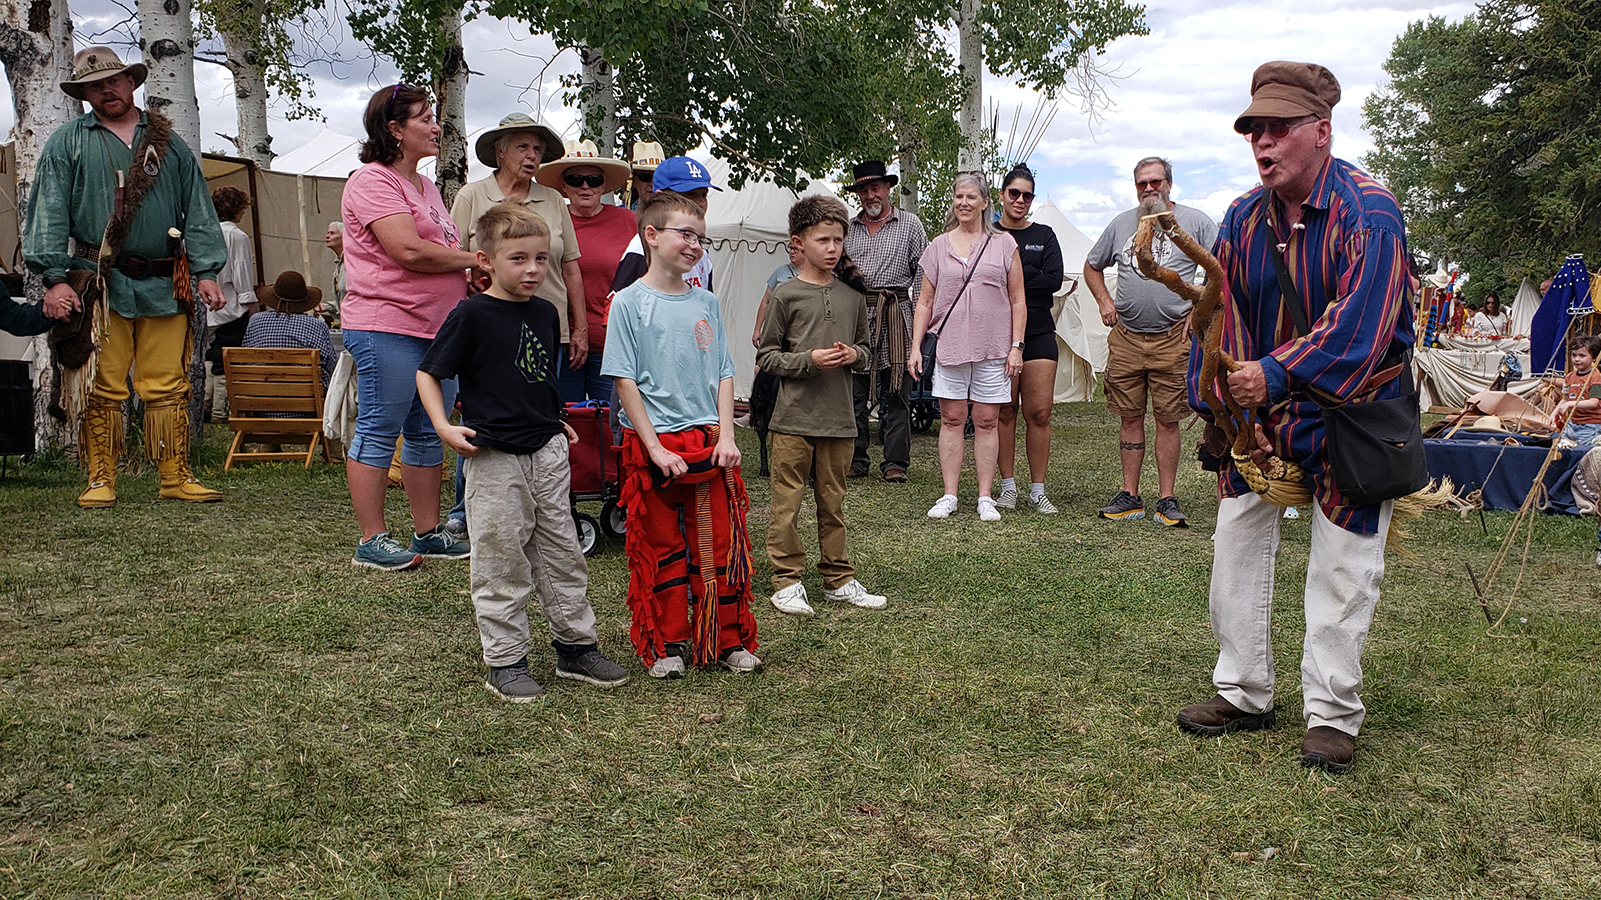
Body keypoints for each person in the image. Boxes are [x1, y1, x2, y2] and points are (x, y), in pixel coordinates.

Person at [1176, 61, 1416, 775]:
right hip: (1261, 416)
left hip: (1352, 411)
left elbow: (1362, 328)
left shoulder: (1369, 212)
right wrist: (1214, 405)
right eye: (1254, 128)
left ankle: (1331, 715)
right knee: (1233, 547)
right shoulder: (1242, 219)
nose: (1262, 141)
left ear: (1321, 131)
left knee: (1343, 568)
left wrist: (1272, 374)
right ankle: (1244, 691)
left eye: (1278, 128)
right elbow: (1214, 316)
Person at [417, 203, 630, 701]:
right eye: (519, 259)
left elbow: (535, 374)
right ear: (486, 260)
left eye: (540, 258)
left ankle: (575, 648)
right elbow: (430, 372)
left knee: (562, 552)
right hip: (493, 458)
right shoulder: (470, 314)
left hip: (547, 453)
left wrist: (554, 419)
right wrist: (444, 426)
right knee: (500, 558)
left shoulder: (544, 310)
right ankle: (505, 659)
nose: (533, 269)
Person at [23, 46, 229, 508]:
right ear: (85, 93)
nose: (107, 89)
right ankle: (101, 478)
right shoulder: (68, 141)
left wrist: (207, 270)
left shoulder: (168, 143)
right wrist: (54, 277)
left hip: (163, 281)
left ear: (131, 82)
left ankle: (176, 476)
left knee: (168, 383)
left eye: (113, 80)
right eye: (95, 85)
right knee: (103, 384)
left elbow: (197, 206)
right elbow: (48, 212)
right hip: (100, 283)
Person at [601, 192, 760, 678]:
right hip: (653, 446)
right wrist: (652, 448)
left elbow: (725, 372)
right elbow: (624, 380)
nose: (694, 244)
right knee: (660, 546)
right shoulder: (628, 304)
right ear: (651, 235)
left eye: (700, 237)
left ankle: (725, 640)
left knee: (720, 545)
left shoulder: (706, 301)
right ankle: (666, 645)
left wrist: (727, 437)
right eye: (684, 234)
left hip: (708, 442)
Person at [339, 83, 477, 571]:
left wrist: (467, 274)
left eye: (435, 116)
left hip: (437, 329)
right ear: (394, 130)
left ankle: (427, 532)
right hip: (387, 324)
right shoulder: (372, 181)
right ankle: (371, 540)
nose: (437, 125)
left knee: (424, 430)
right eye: (424, 118)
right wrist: (474, 261)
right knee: (381, 426)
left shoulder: (427, 186)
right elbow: (409, 251)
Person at [757, 195, 886, 617]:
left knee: (833, 503)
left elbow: (869, 351)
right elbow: (766, 357)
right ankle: (787, 582)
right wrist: (807, 361)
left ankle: (838, 578)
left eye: (838, 240)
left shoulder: (852, 296)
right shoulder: (785, 295)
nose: (832, 248)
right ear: (799, 242)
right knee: (787, 504)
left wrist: (855, 356)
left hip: (840, 420)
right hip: (792, 420)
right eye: (823, 239)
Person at [1084, 156, 1218, 527]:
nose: (1148, 189)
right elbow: (1092, 265)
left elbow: (1220, 265)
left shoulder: (1194, 222)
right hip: (1126, 338)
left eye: (1155, 182)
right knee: (1129, 417)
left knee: (1167, 419)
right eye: (1142, 183)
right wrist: (1104, 300)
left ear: (1169, 184)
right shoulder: (1122, 223)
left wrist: (1200, 308)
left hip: (1173, 337)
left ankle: (1167, 499)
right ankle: (1130, 496)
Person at [907, 172, 1025, 522]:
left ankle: (986, 497)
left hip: (993, 347)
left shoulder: (1004, 245)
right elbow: (924, 302)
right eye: (958, 196)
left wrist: (1016, 346)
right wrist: (915, 347)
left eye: (971, 197)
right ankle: (950, 494)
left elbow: (1018, 300)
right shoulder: (937, 246)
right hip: (950, 346)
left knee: (987, 419)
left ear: (986, 202)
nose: (964, 203)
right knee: (952, 417)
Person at [451, 113, 587, 400]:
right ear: (500, 150)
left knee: (544, 401)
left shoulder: (552, 199)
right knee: (495, 399)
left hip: (548, 321)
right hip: (489, 323)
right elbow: (451, 257)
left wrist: (580, 328)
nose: (532, 156)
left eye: (537, 149)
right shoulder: (471, 196)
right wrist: (466, 282)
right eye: (522, 147)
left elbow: (571, 268)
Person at [843, 160, 928, 483]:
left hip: (897, 312)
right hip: (858, 313)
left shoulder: (910, 225)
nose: (870, 194)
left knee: (897, 391)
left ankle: (895, 462)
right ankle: (856, 458)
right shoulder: (848, 229)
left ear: (888, 188)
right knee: (855, 390)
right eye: (863, 190)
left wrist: (921, 324)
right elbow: (838, 275)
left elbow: (922, 276)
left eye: (875, 187)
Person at [994, 164, 1066, 514]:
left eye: (1027, 195)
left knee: (1038, 413)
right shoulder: (989, 235)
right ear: (1002, 195)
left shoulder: (1045, 234)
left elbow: (1054, 279)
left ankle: (1038, 489)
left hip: (1038, 332)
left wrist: (1014, 277)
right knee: (1004, 412)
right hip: (997, 336)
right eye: (1014, 193)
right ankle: (1007, 487)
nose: (1020, 200)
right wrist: (1029, 271)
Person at [540, 139, 635, 401]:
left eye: (593, 179)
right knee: (563, 418)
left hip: (613, 343)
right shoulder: (548, 222)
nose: (584, 186)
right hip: (561, 340)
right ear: (563, 185)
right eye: (575, 179)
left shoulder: (629, 222)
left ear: (603, 185)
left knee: (610, 423)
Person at [609, 156, 719, 293]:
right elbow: (618, 308)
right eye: (690, 194)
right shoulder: (642, 248)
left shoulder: (701, 253)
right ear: (660, 197)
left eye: (704, 194)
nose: (700, 202)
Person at [205, 185, 258, 424]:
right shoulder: (237, 236)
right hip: (231, 306)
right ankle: (219, 411)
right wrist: (250, 305)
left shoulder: (206, 232)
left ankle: (206, 404)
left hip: (207, 305)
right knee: (228, 358)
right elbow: (241, 272)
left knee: (210, 355)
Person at [242, 270, 337, 387]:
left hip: (258, 392)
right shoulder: (316, 325)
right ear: (304, 301)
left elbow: (245, 357)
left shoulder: (255, 321)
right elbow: (330, 363)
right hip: (307, 394)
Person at [1549, 335, 1601, 447]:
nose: (1577, 359)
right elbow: (1565, 398)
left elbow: (1594, 402)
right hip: (1573, 423)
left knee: (1583, 450)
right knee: (1562, 445)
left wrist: (1571, 404)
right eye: (1574, 355)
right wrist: (1554, 413)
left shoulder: (1595, 377)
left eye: (1582, 355)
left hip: (1590, 424)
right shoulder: (1569, 377)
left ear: (1594, 358)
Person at [629, 140, 665, 210]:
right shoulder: (621, 216)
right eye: (645, 177)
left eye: (658, 178)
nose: (652, 183)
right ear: (633, 180)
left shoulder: (677, 214)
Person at [323, 221, 345, 323]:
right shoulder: (338, 265)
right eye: (328, 233)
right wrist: (327, 307)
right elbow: (342, 300)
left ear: (343, 236)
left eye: (332, 233)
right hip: (347, 322)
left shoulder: (352, 263)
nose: (327, 236)